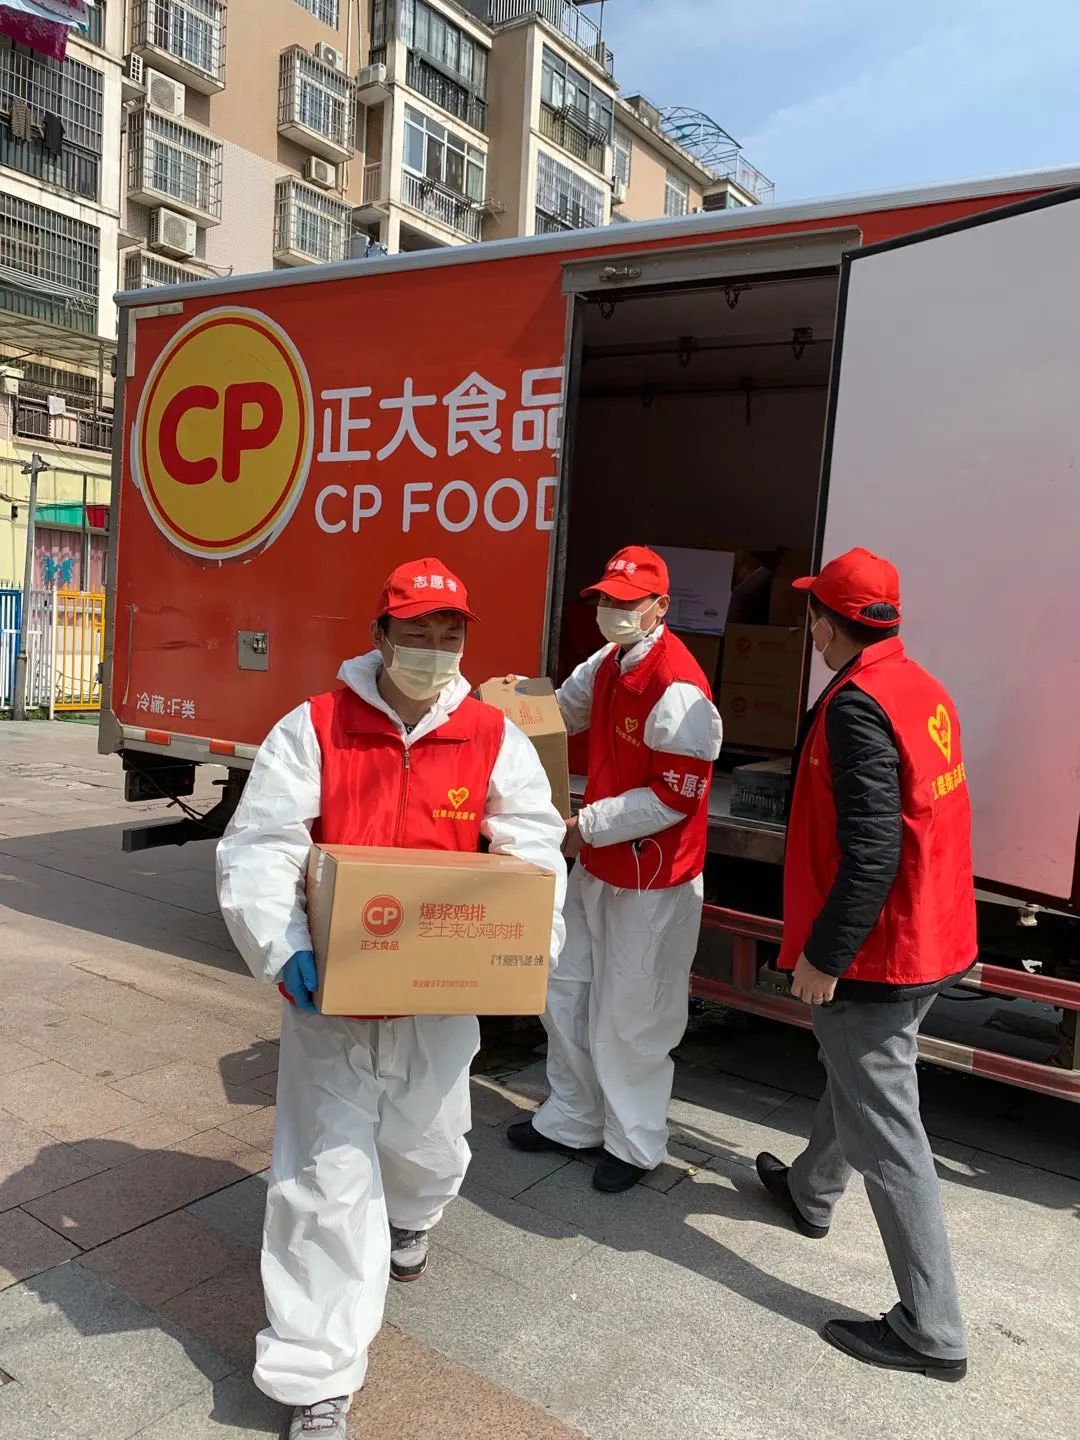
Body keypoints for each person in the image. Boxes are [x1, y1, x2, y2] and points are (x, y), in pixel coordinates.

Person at [216, 557, 567, 1438]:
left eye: (449, 634)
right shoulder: (316, 727)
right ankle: (315, 1376)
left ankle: (413, 1219)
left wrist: (525, 949)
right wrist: (285, 949)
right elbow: (261, 845)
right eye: (415, 633)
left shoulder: (492, 736)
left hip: (438, 997)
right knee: (323, 1177)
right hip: (331, 999)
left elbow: (533, 850)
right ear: (379, 637)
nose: (433, 649)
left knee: (429, 1143)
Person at [756, 547, 975, 1381]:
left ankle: (932, 1328)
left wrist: (824, 954)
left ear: (833, 622)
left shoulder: (858, 707)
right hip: (933, 935)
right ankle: (810, 1190)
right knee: (855, 1076)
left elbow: (874, 852)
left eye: (814, 613)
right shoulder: (919, 686)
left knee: (888, 1132)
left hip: (880, 953)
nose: (809, 627)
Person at [507, 545, 722, 1192]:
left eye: (628, 602)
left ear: (660, 606)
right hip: (599, 866)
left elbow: (676, 796)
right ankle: (573, 1116)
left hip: (653, 879)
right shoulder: (607, 663)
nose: (612, 611)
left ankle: (634, 1141)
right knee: (565, 987)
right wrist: (504, 709)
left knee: (634, 1015)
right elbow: (559, 713)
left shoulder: (679, 688)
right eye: (606, 599)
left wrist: (586, 825)